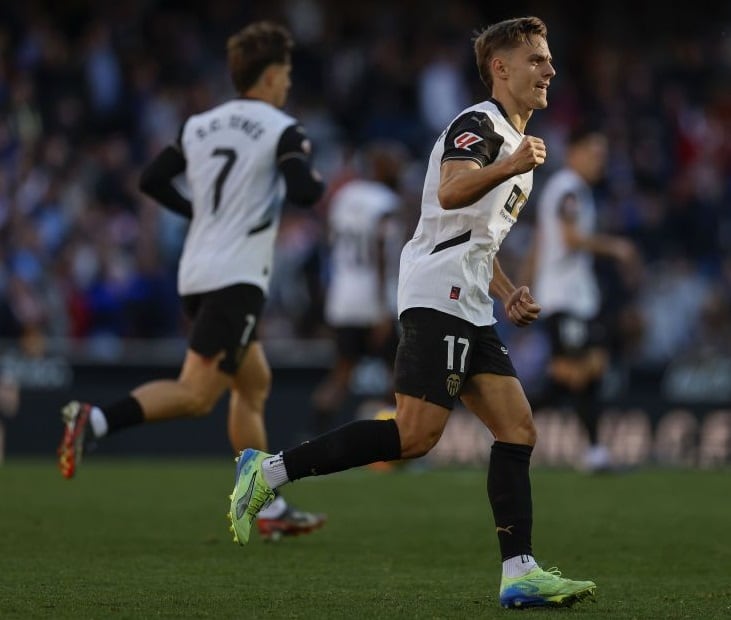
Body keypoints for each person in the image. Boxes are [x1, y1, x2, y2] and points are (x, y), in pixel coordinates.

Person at [227, 16, 596, 609]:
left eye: (550, 59)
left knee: (518, 428)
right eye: (536, 59)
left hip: (471, 297)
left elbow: (474, 236)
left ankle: (520, 572)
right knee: (415, 435)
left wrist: (506, 292)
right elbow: (452, 192)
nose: (549, 69)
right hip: (438, 291)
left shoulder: (515, 142)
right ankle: (268, 472)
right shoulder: (480, 125)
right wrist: (511, 164)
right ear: (500, 68)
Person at [57, 21, 328, 541]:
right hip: (238, 277)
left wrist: (198, 213)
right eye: (286, 73)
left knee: (254, 383)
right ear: (270, 76)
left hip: (198, 272)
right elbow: (304, 192)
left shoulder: (199, 125)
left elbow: (150, 180)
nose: (288, 83)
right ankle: (93, 420)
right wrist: (313, 178)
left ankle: (265, 502)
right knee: (197, 394)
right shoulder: (281, 128)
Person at [526, 126, 639, 472]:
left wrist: (524, 285)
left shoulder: (569, 190)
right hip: (563, 298)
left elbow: (541, 242)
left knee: (584, 371)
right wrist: (616, 247)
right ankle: (510, 423)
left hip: (575, 297)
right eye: (593, 153)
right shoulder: (569, 188)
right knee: (576, 374)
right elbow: (571, 238)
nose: (598, 161)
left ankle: (591, 450)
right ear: (573, 152)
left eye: (602, 155)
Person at [310, 141, 406, 434]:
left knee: (340, 375)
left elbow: (329, 241)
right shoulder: (386, 202)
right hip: (372, 299)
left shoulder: (343, 196)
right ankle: (401, 438)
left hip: (342, 295)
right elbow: (381, 255)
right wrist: (382, 308)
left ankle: (313, 435)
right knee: (400, 375)